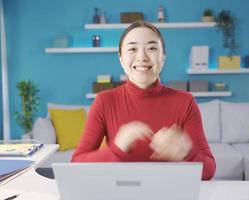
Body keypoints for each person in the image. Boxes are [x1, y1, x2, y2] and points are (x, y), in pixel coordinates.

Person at [72, 21, 216, 180]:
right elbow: (76, 165)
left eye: (152, 48)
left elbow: (208, 170)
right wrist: (117, 149)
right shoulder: (104, 101)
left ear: (163, 57)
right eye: (132, 49)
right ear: (121, 58)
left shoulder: (185, 102)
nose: (142, 57)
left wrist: (188, 152)